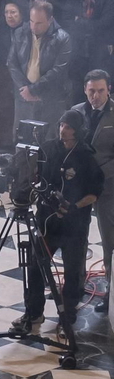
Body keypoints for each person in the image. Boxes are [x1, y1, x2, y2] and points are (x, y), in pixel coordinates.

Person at [12, 109, 104, 334]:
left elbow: (94, 192)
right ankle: (33, 313)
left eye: (69, 127)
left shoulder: (86, 156)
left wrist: (73, 207)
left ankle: (67, 317)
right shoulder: (48, 148)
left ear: (78, 131)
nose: (64, 130)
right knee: (35, 266)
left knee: (73, 272)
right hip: (47, 222)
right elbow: (37, 177)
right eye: (62, 125)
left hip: (75, 225)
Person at [71, 70, 114, 311]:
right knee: (76, 238)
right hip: (78, 188)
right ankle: (74, 288)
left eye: (100, 90)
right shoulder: (76, 112)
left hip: (108, 186)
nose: (95, 96)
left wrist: (99, 177)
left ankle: (111, 293)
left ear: (109, 89)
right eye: (91, 91)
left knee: (110, 240)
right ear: (84, 90)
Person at [8, 0, 73, 125]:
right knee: (22, 139)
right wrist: (25, 89)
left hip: (50, 98)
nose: (33, 27)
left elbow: (58, 70)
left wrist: (34, 89)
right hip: (23, 97)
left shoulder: (63, 38)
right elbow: (12, 63)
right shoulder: (20, 33)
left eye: (39, 23)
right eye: (31, 21)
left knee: (48, 140)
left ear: (50, 20)